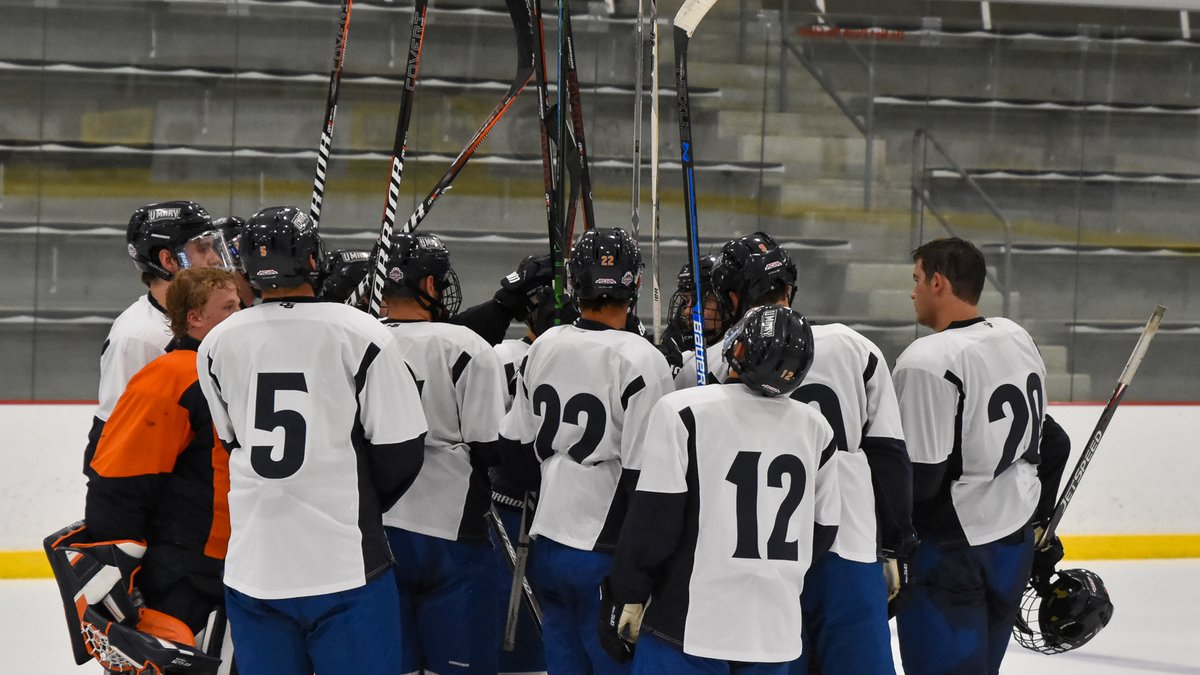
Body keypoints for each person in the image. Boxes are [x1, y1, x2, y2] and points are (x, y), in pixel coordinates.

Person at [196, 206, 428, 675]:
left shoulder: (216, 344)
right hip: (343, 568)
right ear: (313, 259)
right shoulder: (363, 334)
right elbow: (402, 452)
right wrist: (354, 502)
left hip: (255, 568)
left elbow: (231, 443)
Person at [707, 233, 916, 674]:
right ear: (789, 288)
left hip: (755, 558)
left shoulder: (713, 362)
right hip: (849, 549)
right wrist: (896, 546)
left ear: (732, 296)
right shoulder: (855, 347)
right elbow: (890, 458)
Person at [599, 305, 840, 674]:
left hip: (688, 624)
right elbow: (823, 530)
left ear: (739, 349)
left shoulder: (683, 411)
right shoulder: (817, 429)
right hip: (773, 631)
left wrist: (627, 593)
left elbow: (654, 524)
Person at [498, 227, 674, 675]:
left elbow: (514, 450)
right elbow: (647, 482)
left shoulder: (543, 346)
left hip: (548, 544)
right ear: (634, 284)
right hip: (609, 552)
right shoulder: (643, 360)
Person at [892, 237, 1071, 674]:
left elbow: (923, 480)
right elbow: (1055, 442)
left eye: (916, 280)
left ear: (938, 283)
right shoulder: (1015, 336)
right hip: (1013, 544)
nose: (911, 291)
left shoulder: (927, 360)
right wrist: (1041, 519)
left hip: (953, 554)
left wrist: (885, 540)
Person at [80, 266, 241, 671]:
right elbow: (117, 485)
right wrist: (122, 580)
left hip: (224, 570)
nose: (240, 316)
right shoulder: (169, 377)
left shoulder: (225, 372)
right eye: (229, 307)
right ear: (195, 318)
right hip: (182, 577)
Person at [377, 232, 509, 674]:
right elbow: (490, 445)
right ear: (430, 285)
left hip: (375, 528)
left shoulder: (356, 338)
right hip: (452, 534)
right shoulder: (466, 346)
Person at [85, 201, 234, 473]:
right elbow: (117, 437)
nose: (214, 258)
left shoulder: (213, 315)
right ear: (168, 260)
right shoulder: (138, 336)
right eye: (202, 248)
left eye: (213, 246)